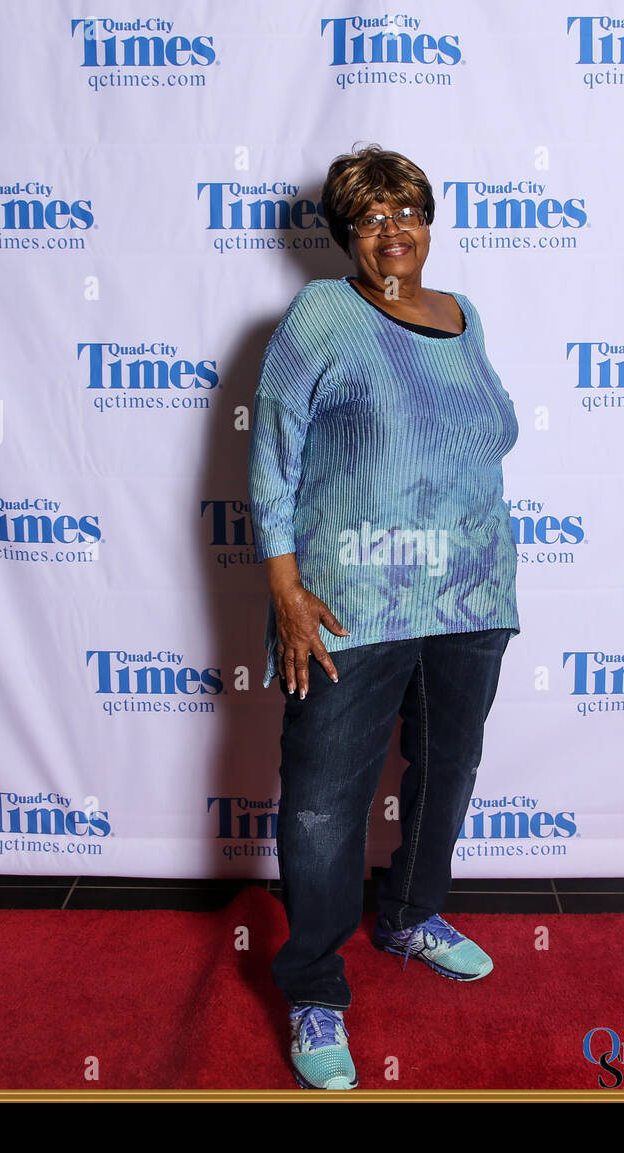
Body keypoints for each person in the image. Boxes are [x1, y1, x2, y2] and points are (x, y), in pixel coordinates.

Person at [248, 144, 520, 1090]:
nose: (392, 230)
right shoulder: (322, 313)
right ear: (345, 235)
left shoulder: (464, 316)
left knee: (448, 769)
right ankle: (315, 984)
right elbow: (275, 455)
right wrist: (284, 589)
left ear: (429, 221)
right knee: (324, 801)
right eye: (370, 218)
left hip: (472, 596)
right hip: (351, 601)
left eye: (406, 211)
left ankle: (409, 912)